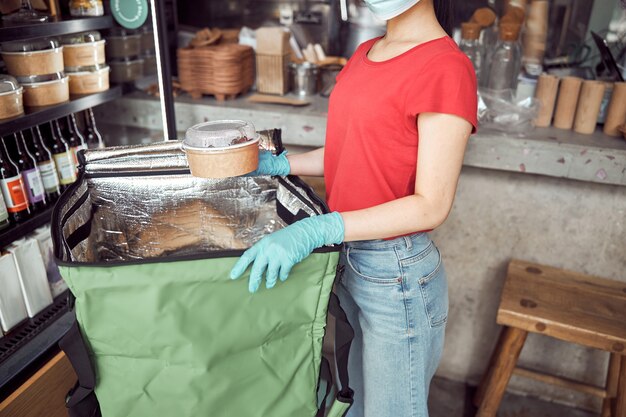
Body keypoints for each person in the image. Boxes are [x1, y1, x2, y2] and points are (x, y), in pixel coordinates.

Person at [230, 0, 477, 415]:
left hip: (395, 276)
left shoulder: (446, 67)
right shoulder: (366, 52)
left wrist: (318, 229)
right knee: (354, 407)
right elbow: (351, 152)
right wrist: (283, 165)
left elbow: (431, 205)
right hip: (349, 261)